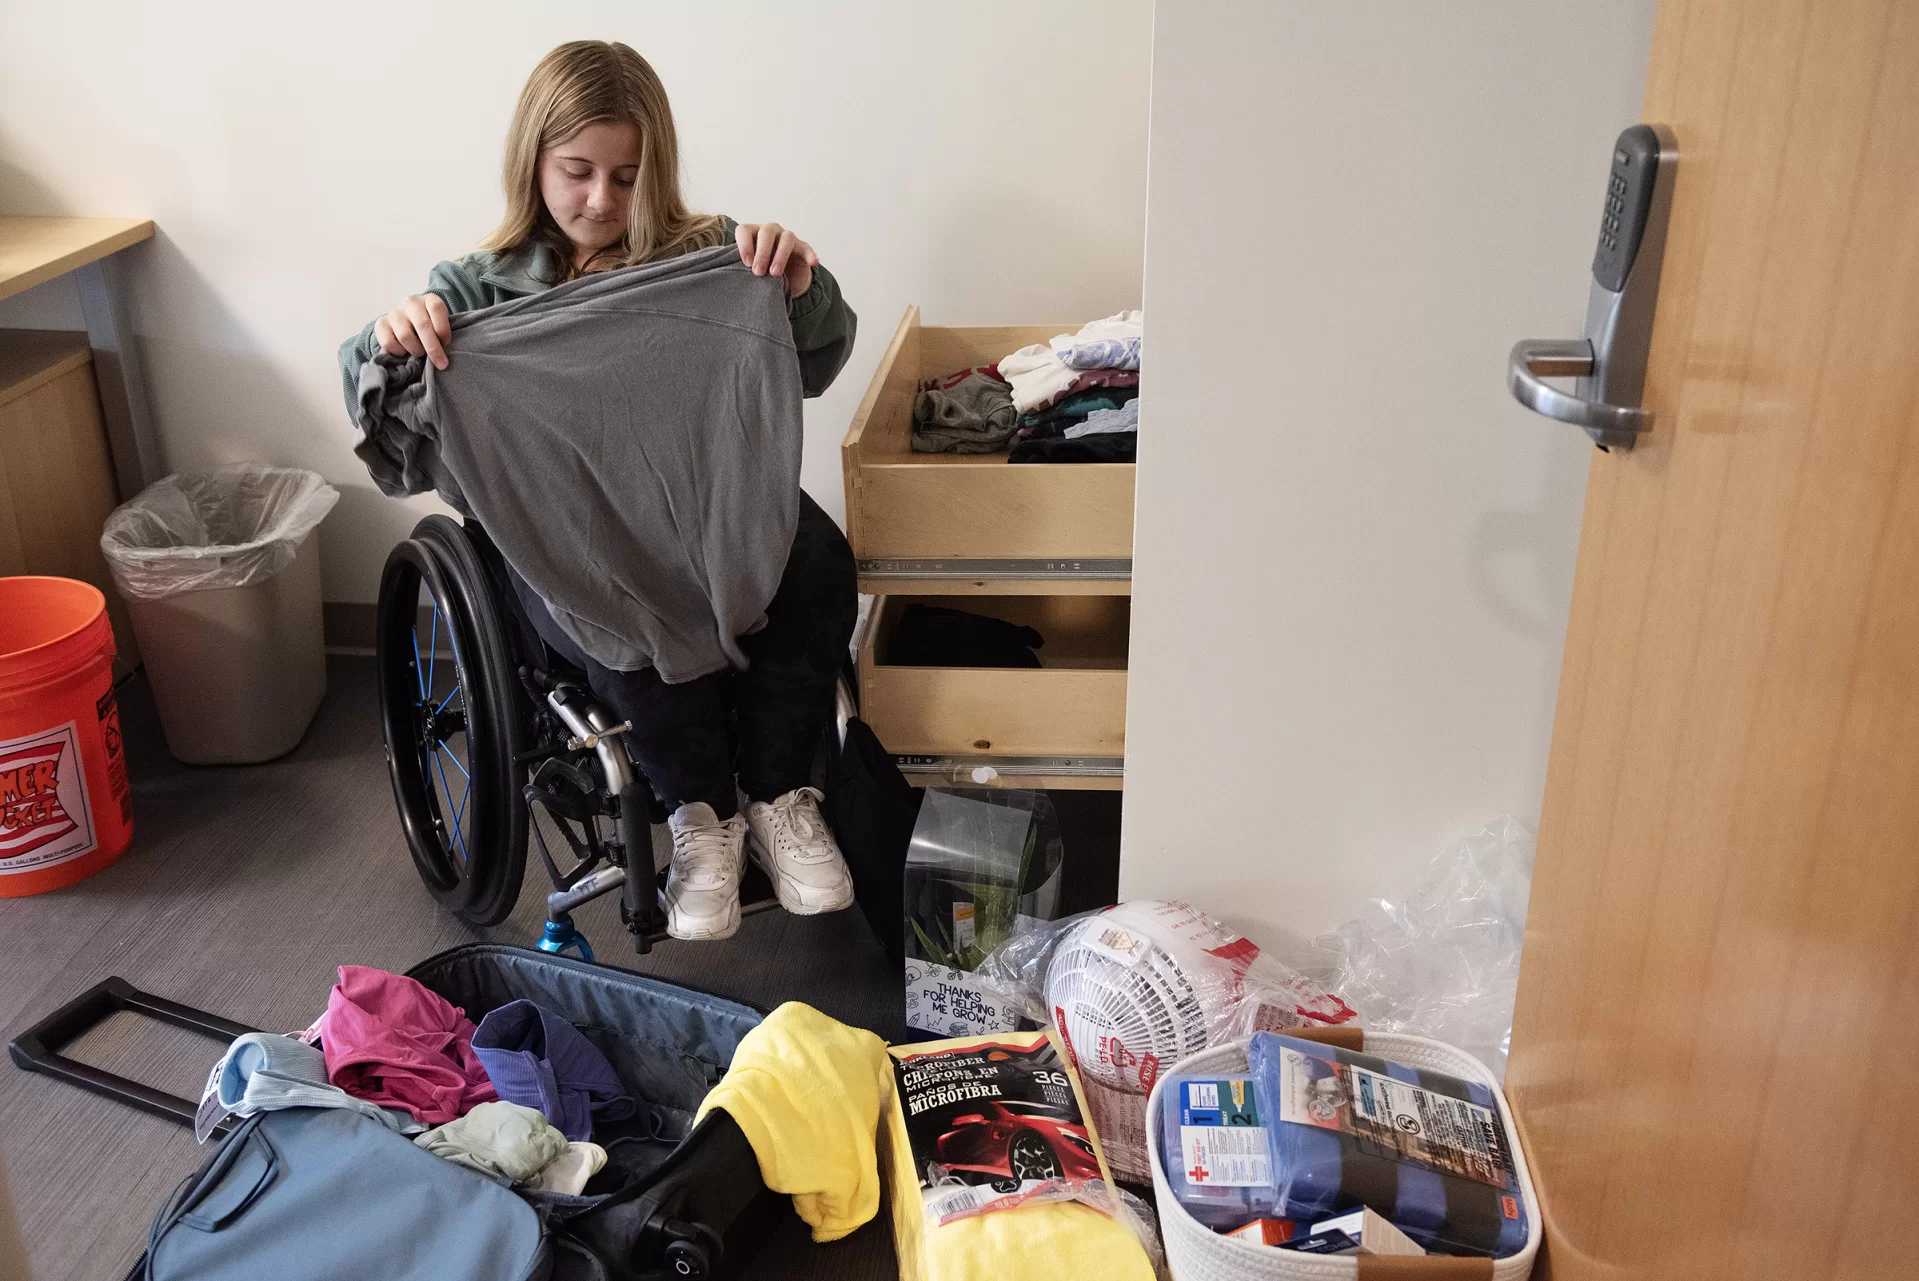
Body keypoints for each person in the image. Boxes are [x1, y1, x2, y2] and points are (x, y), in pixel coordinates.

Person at [338, 40, 859, 942]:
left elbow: (812, 359)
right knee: (608, 593)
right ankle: (701, 816)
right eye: (577, 172)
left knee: (813, 557)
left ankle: (780, 797)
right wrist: (388, 340)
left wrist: (799, 285)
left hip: (703, 499)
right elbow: (381, 403)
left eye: (628, 176)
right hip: (564, 528)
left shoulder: (708, 253)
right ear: (532, 160)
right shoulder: (474, 289)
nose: (602, 201)